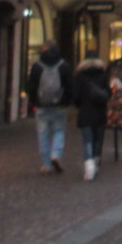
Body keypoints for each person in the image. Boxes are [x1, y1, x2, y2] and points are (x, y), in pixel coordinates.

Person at [27, 40, 73, 175]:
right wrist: (66, 101)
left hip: (42, 105)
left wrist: (34, 102)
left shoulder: (37, 66)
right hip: (60, 105)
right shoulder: (64, 65)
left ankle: (46, 164)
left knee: (43, 134)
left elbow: (31, 87)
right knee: (59, 131)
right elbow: (69, 86)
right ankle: (56, 154)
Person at [73, 52, 109, 180]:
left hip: (85, 112)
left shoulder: (79, 76)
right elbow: (107, 94)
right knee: (97, 139)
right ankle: (96, 160)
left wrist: (80, 105)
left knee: (87, 140)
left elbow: (76, 96)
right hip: (99, 112)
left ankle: (89, 166)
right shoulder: (103, 74)